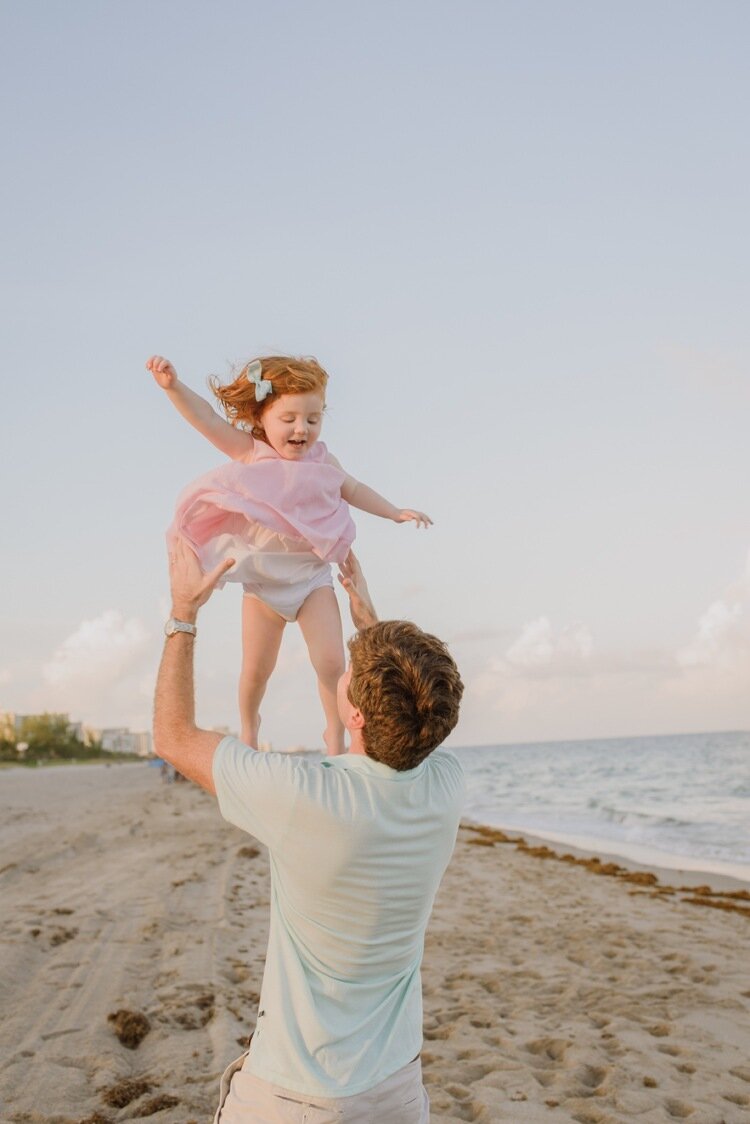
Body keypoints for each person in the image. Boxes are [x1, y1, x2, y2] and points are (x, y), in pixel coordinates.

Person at [154, 542, 465, 1123]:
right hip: (396, 1094)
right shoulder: (444, 787)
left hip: (296, 1097)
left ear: (355, 715)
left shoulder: (303, 796)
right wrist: (374, 628)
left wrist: (183, 613)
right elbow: (410, 720)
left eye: (348, 679)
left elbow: (172, 736)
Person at [147, 354, 432, 756]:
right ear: (262, 417)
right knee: (256, 671)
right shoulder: (251, 452)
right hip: (264, 587)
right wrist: (173, 387)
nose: (302, 429)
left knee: (332, 663)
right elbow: (207, 420)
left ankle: (334, 734)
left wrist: (394, 512)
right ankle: (249, 726)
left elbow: (353, 488)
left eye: (313, 420)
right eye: (290, 419)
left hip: (312, 580)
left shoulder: (323, 462)